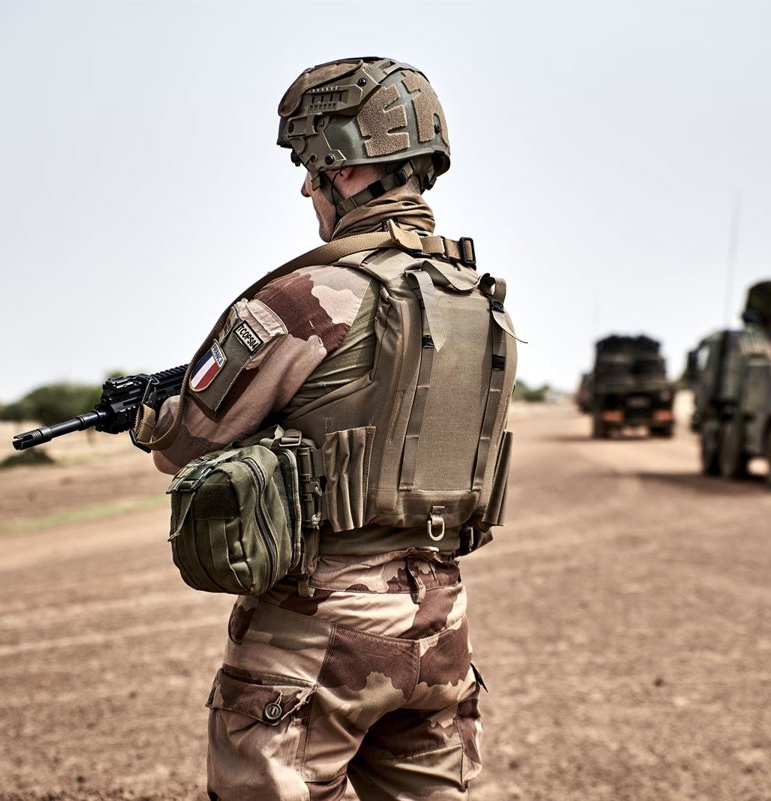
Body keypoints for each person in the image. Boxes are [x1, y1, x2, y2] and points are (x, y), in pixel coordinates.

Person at [134, 57, 516, 801]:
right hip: (440, 619)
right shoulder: (478, 297)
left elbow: (189, 445)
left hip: (320, 630)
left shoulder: (310, 294)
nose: (306, 188)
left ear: (343, 168)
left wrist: (156, 418)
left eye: (310, 170)